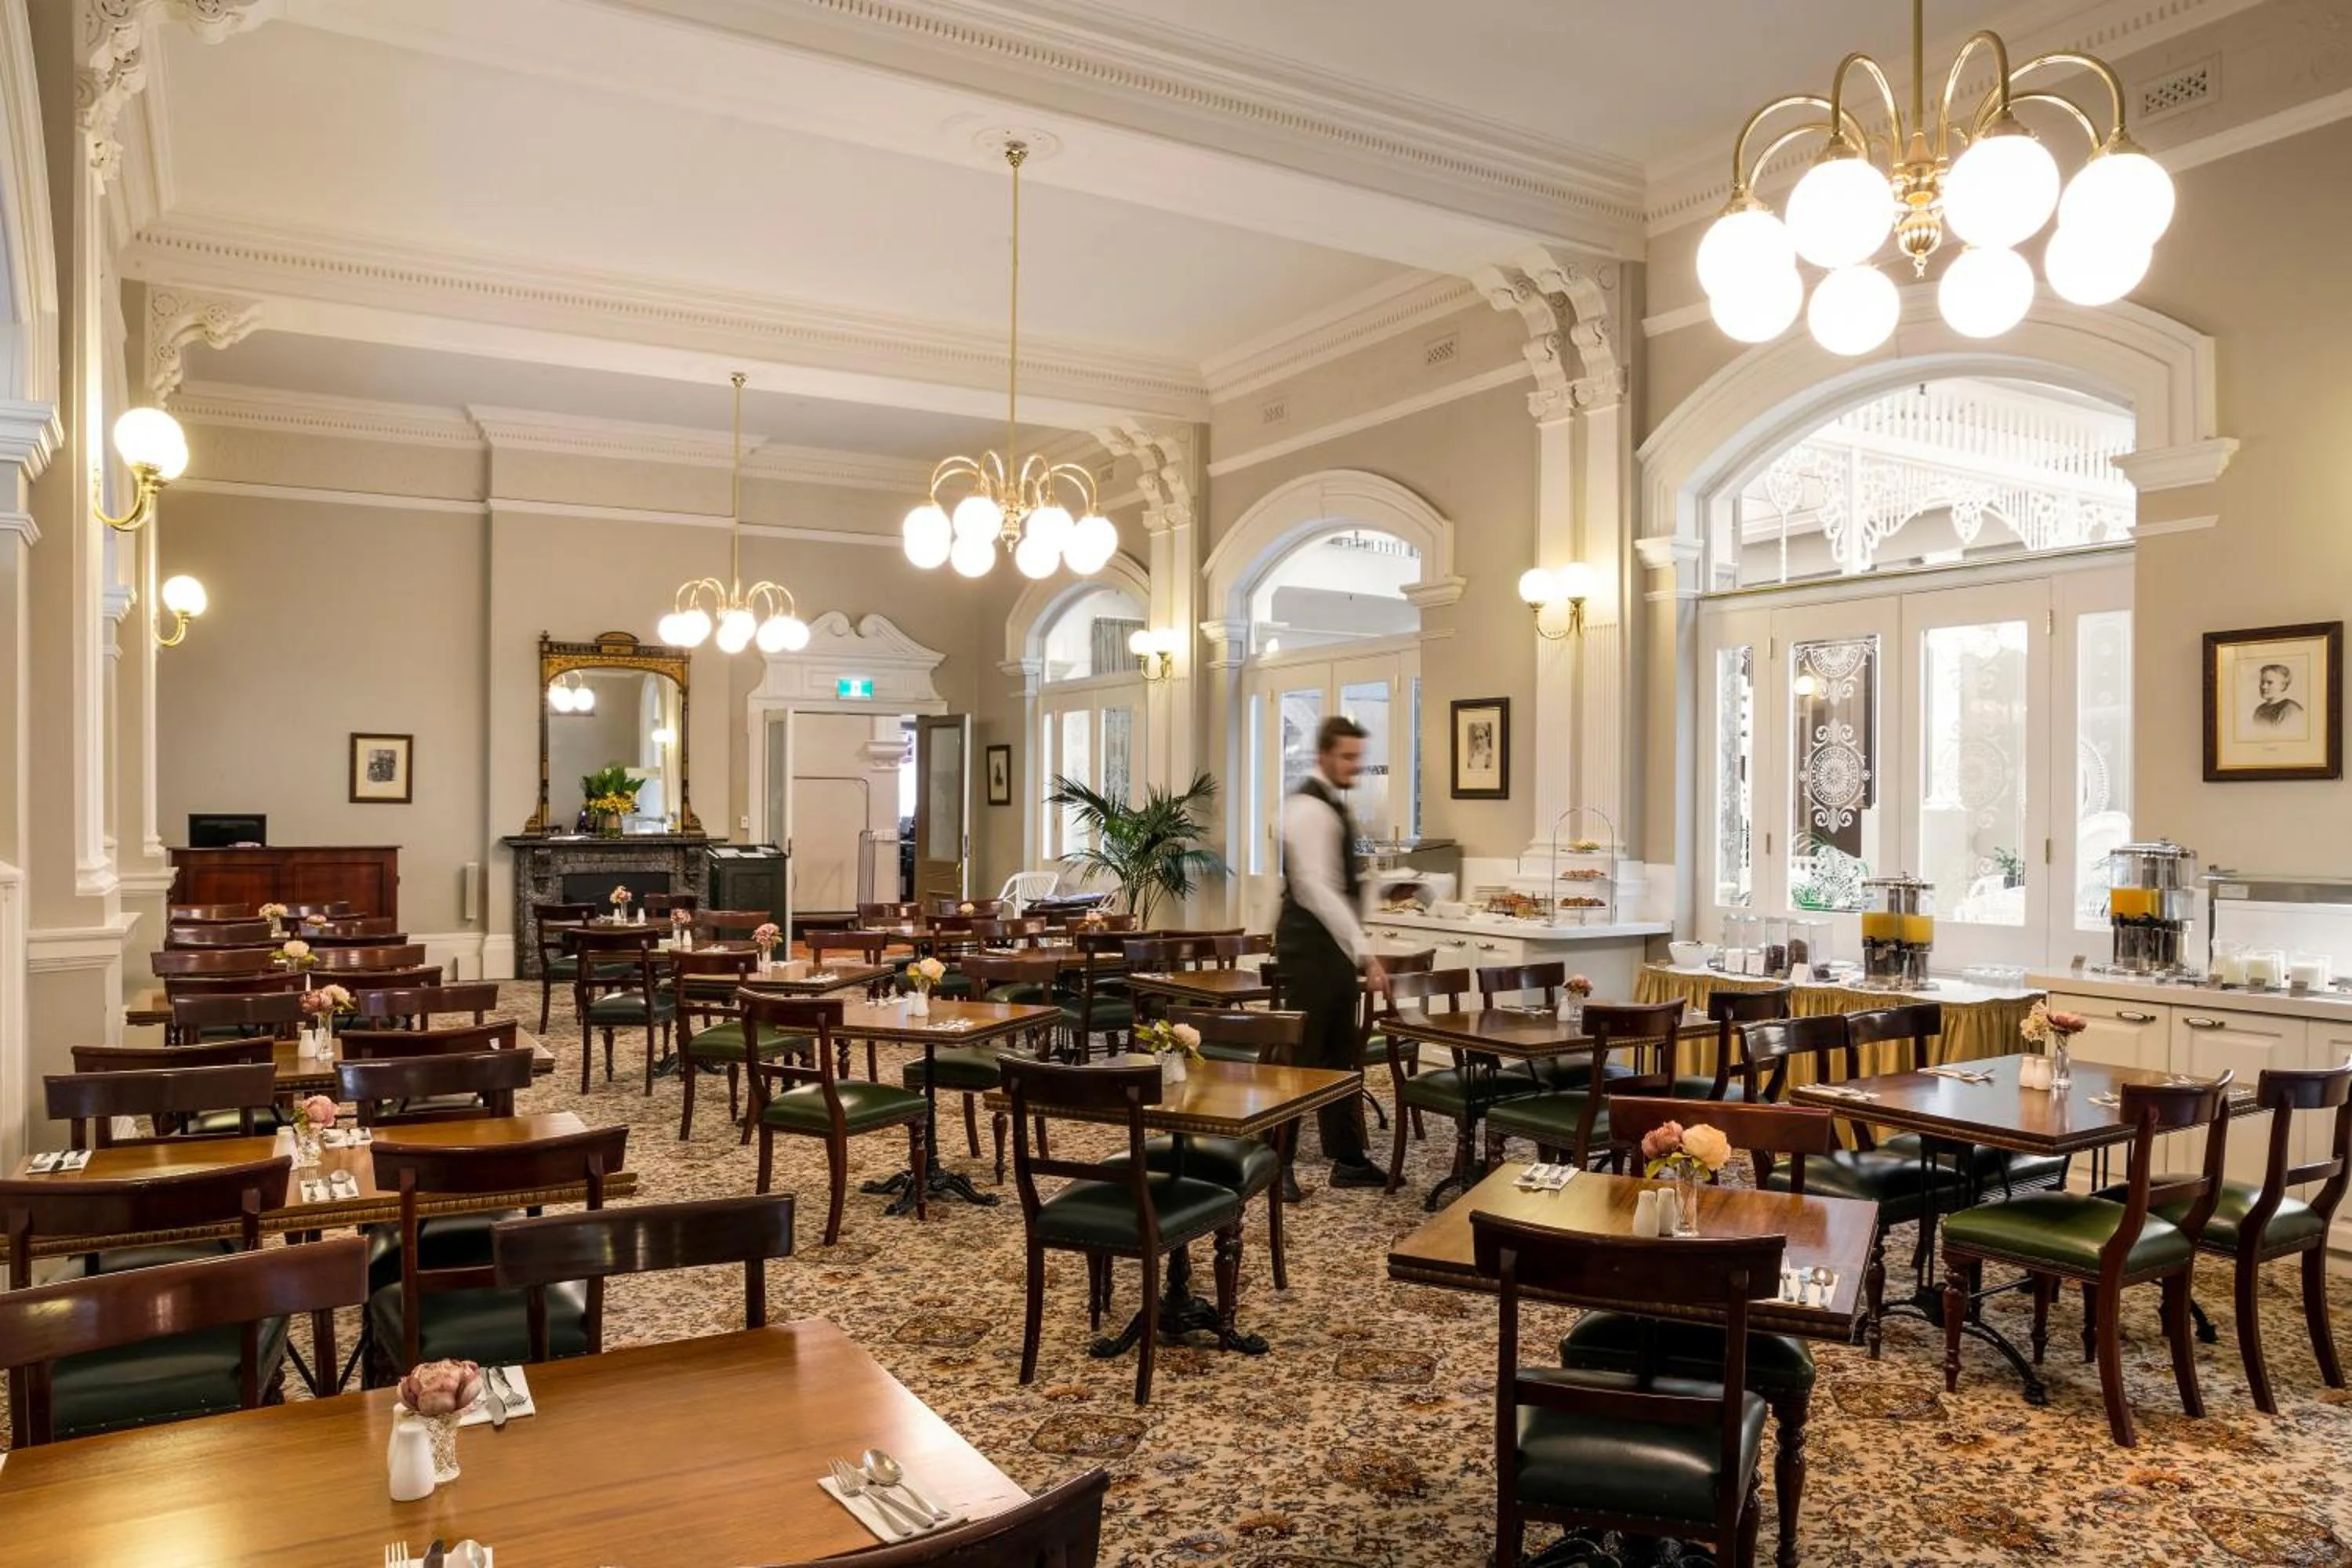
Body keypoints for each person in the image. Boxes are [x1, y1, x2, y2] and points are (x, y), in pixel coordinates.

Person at [1276, 715, 1388, 1192]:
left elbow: (1342, 885)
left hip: (1331, 951)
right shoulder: (1307, 807)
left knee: (1340, 1055)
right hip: (1309, 951)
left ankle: (1349, 1159)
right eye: (1347, 757)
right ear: (1324, 754)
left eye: (1358, 758)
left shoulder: (1332, 806)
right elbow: (1316, 889)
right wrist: (1366, 952)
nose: (1354, 767)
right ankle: (1274, 1162)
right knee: (1303, 1058)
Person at [2252, 662, 2304, 728]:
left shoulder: (2292, 711)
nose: (2263, 687)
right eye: (2262, 682)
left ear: (2283, 686)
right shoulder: (2259, 710)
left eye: (2270, 683)